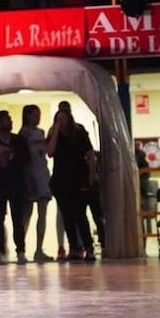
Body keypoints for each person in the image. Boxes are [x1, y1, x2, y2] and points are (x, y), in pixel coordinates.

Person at [48, 101, 95, 262]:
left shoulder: (79, 132)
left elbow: (89, 154)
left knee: (80, 215)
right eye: (58, 118)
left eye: (63, 118)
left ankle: (88, 247)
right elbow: (50, 152)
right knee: (66, 216)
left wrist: (91, 175)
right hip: (60, 179)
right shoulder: (54, 133)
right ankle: (73, 247)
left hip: (78, 177)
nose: (61, 121)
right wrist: (55, 131)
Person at [0, 109, 29, 264]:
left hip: (15, 184)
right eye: (6, 119)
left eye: (10, 118)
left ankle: (21, 250)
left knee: (18, 219)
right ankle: (0, 250)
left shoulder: (19, 140)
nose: (10, 121)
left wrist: (11, 154)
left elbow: (26, 158)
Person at [19, 104, 54, 263]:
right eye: (35, 115)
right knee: (26, 214)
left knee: (42, 214)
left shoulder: (41, 132)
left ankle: (39, 249)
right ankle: (21, 249)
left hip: (42, 174)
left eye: (39, 114)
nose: (38, 118)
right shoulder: (24, 133)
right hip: (29, 175)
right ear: (27, 116)